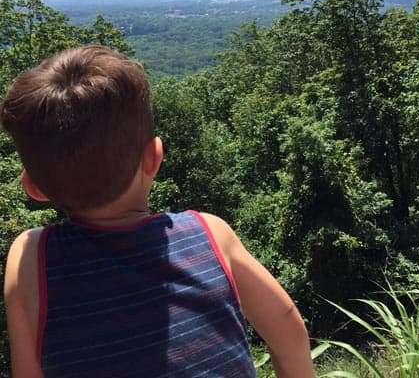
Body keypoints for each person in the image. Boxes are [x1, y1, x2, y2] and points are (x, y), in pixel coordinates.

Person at [1, 45, 315, 378]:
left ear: (33, 187)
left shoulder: (31, 259)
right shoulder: (210, 234)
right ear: (154, 157)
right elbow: (289, 331)